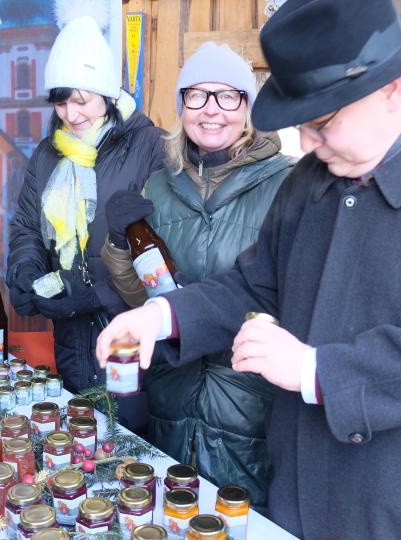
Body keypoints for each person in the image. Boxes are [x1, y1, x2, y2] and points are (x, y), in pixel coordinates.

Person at [95, 1, 401, 538]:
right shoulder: (311, 181)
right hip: (300, 499)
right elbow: (256, 284)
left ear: (392, 87)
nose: (308, 143)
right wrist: (161, 317)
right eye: (302, 124)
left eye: (323, 122)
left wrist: (316, 371)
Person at [99, 42, 296, 508]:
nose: (211, 111)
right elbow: (139, 301)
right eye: (197, 95)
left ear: (247, 106)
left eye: (228, 96)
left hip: (251, 413)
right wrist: (119, 245)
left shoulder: (288, 184)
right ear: (181, 104)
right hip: (172, 400)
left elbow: (295, 296)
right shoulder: (159, 185)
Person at [6, 14, 165, 429]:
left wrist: (103, 296)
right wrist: (26, 271)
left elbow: (164, 242)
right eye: (61, 102)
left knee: (130, 442)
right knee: (80, 441)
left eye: (82, 100)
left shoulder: (148, 146)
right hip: (70, 334)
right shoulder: (47, 154)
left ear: (108, 93)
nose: (71, 114)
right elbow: (26, 225)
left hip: (127, 330)